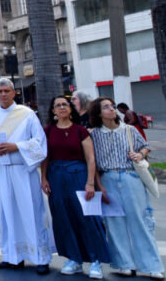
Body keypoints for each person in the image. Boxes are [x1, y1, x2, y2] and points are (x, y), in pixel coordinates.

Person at [0, 79, 53, 272]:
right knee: (8, 214)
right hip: (3, 170)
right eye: (0, 91)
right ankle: (13, 256)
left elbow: (39, 142)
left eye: (7, 91)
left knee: (31, 212)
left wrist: (16, 146)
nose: (3, 94)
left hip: (24, 170)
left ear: (14, 93)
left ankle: (40, 258)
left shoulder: (27, 115)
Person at [89, 97, 164, 279]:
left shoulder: (129, 130)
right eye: (106, 107)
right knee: (114, 223)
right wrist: (99, 186)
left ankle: (151, 265)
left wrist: (140, 154)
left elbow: (145, 147)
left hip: (130, 176)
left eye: (112, 106)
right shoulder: (94, 134)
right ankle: (124, 264)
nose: (111, 109)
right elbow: (93, 162)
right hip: (108, 178)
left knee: (140, 221)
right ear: (99, 113)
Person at [42, 95, 110, 278]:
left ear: (71, 109)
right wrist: (44, 178)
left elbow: (90, 159)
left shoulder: (81, 131)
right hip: (56, 177)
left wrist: (90, 183)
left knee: (88, 218)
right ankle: (74, 258)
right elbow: (45, 157)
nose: (62, 107)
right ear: (53, 111)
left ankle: (96, 260)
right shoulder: (48, 131)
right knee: (64, 218)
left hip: (78, 176)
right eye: (58, 105)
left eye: (65, 104)